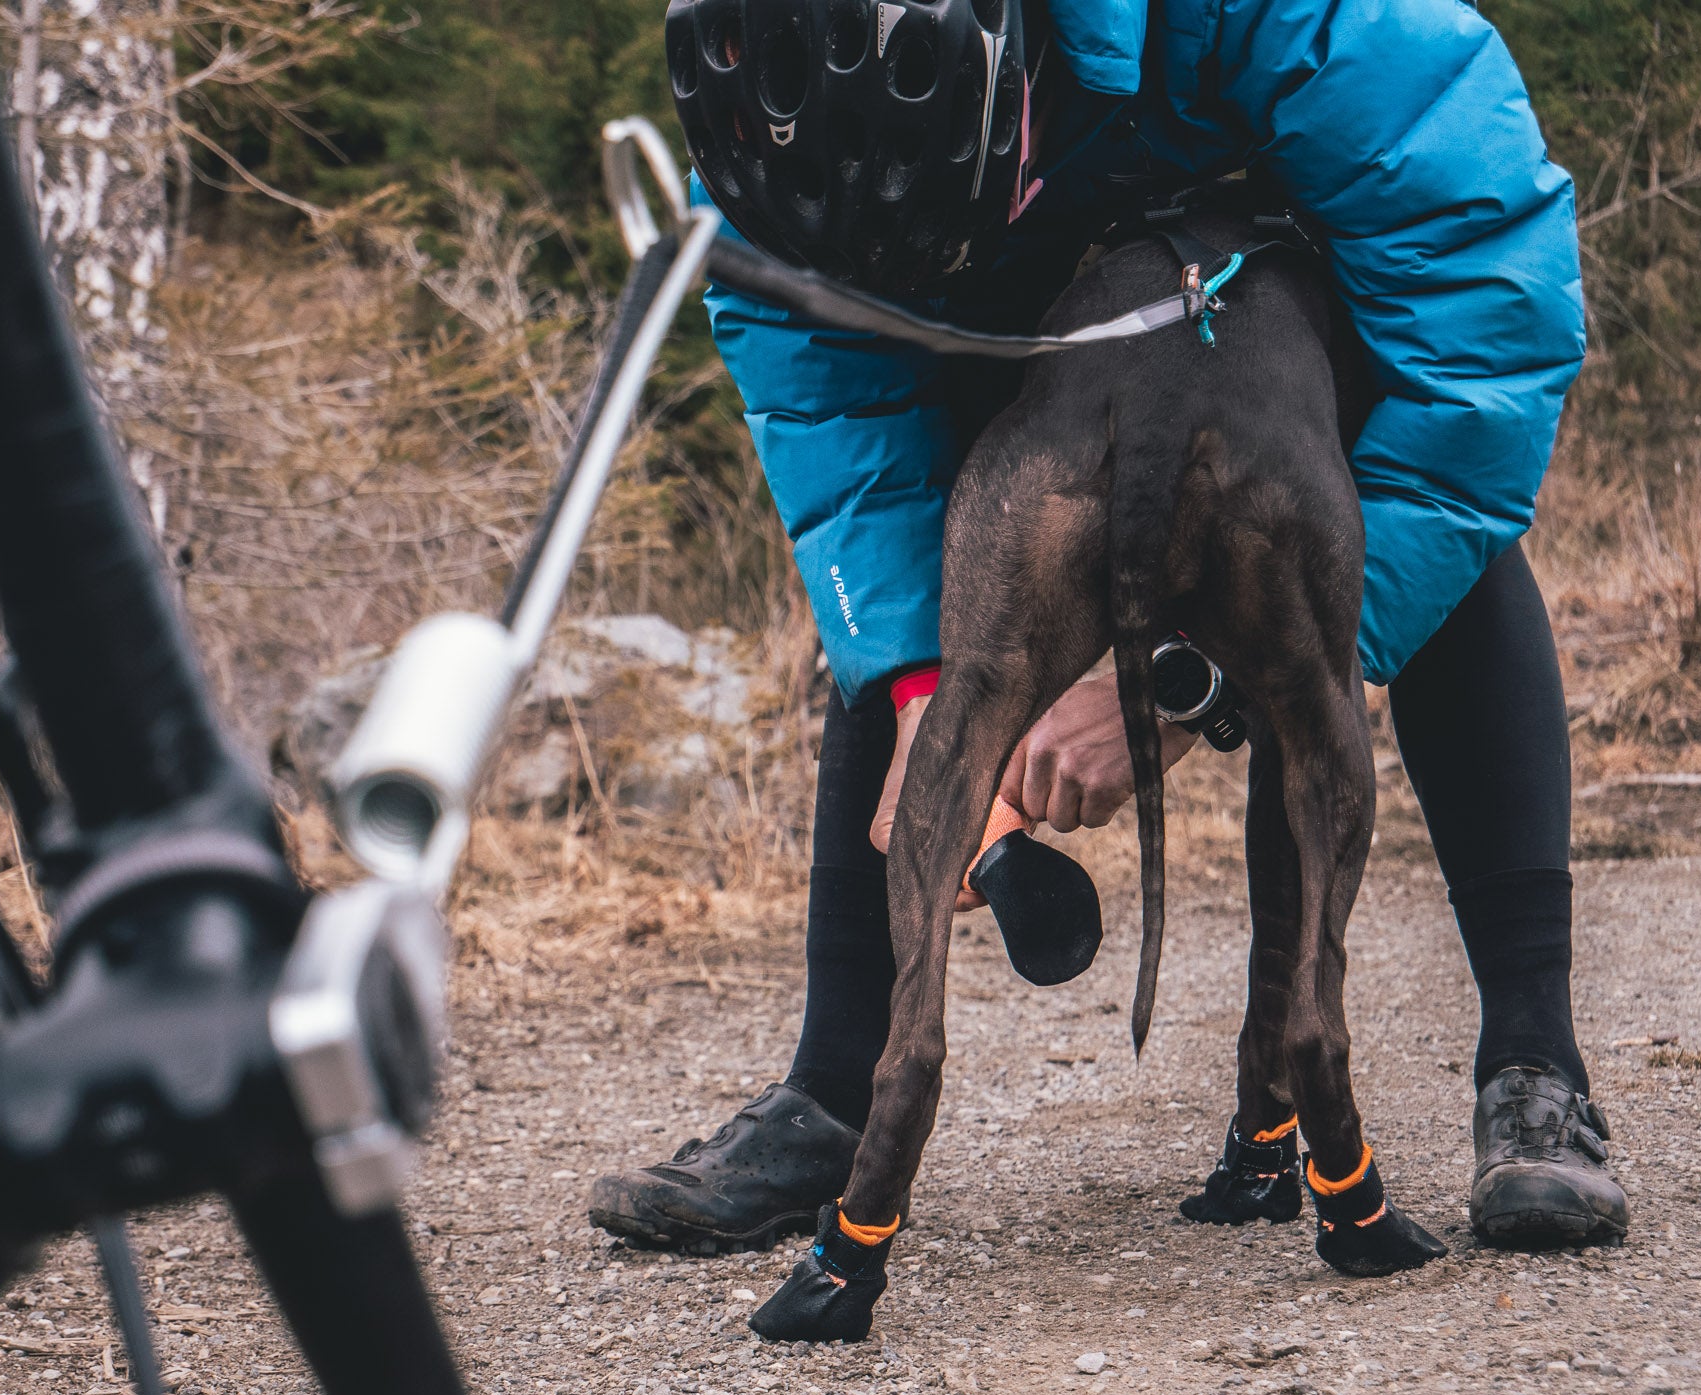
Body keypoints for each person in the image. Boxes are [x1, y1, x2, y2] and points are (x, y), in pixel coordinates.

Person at [589, 0, 1627, 1255]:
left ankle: (1533, 1065)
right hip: (1030, 286)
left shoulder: (1312, 20)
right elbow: (851, 439)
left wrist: (1190, 686)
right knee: (915, 577)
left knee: (1424, 507)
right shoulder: (772, 110)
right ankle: (833, 1098)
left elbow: (1474, 376)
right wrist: (925, 692)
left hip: (1294, 299)